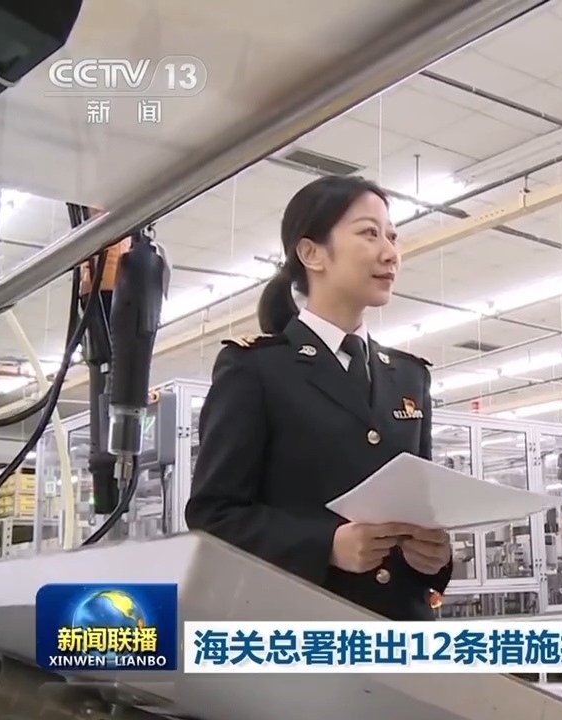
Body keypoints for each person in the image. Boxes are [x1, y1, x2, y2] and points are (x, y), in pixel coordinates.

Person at [185, 175, 452, 620]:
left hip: (402, 631)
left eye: (392, 236)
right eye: (369, 233)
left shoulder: (409, 377)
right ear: (312, 253)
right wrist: (325, 544)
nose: (390, 252)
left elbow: (417, 508)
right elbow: (214, 516)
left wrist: (434, 556)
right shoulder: (256, 369)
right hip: (304, 630)